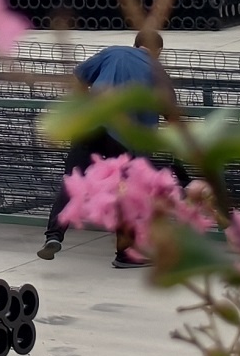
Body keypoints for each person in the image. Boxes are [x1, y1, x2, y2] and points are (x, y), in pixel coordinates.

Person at [40, 39, 177, 267]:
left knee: (72, 180)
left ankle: (53, 236)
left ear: (135, 44)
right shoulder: (157, 70)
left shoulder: (112, 52)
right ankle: (125, 254)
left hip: (90, 125)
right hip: (123, 135)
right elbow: (172, 115)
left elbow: (79, 77)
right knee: (127, 191)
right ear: (158, 51)